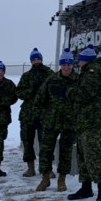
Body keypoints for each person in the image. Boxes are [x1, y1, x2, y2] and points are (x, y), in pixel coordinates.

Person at [67, 44, 101, 201]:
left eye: (80, 61)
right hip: (84, 120)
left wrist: (68, 91)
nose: (78, 63)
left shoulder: (93, 72)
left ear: (86, 60)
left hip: (92, 120)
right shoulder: (87, 72)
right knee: (83, 154)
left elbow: (85, 94)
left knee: (92, 154)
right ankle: (86, 188)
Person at [34, 48, 78, 192]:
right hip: (50, 121)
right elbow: (40, 98)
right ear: (60, 65)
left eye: (69, 64)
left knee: (65, 152)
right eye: (64, 64)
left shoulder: (78, 81)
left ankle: (61, 179)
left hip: (68, 123)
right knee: (45, 151)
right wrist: (39, 116)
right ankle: (45, 178)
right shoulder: (52, 79)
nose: (66, 67)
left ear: (72, 65)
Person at [15, 47, 54, 178]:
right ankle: (30, 168)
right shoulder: (26, 76)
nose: (36, 61)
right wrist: (30, 91)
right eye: (34, 59)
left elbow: (56, 90)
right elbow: (19, 92)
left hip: (44, 114)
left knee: (46, 143)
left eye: (38, 59)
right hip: (28, 114)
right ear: (31, 61)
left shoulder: (49, 74)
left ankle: (47, 169)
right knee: (27, 142)